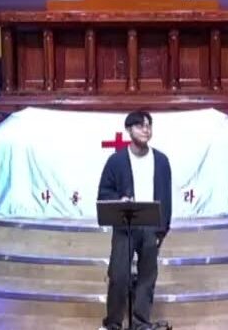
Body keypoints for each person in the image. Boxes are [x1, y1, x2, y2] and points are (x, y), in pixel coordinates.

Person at [97, 111, 173, 330]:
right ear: (129, 130)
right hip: (125, 226)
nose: (146, 130)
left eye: (149, 126)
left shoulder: (161, 161)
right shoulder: (116, 161)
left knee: (147, 278)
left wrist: (162, 230)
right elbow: (104, 193)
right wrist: (119, 199)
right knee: (119, 276)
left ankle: (141, 323)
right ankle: (113, 323)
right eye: (140, 126)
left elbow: (166, 197)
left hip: (151, 225)